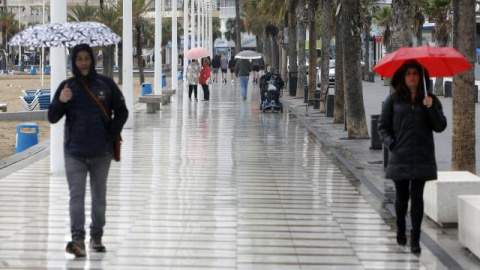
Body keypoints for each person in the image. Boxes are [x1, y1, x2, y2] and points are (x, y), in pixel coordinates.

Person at [48, 43, 129, 257]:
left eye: (86, 58)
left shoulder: (106, 84)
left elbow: (122, 112)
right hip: (74, 152)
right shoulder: (67, 87)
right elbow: (52, 117)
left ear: (92, 60)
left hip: (101, 152)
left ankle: (96, 236)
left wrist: (111, 134)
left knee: (99, 196)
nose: (83, 62)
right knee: (76, 196)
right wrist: (60, 101)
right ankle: (77, 240)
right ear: (74, 62)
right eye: (79, 59)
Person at [378, 60, 446, 254]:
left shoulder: (430, 99)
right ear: (402, 76)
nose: (412, 77)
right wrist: (392, 144)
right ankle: (400, 227)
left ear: (421, 76)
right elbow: (382, 126)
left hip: (422, 157)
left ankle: (415, 237)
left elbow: (440, 126)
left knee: (417, 199)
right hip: (400, 156)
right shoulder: (393, 100)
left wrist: (431, 107)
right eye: (408, 73)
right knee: (401, 198)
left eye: (416, 73)